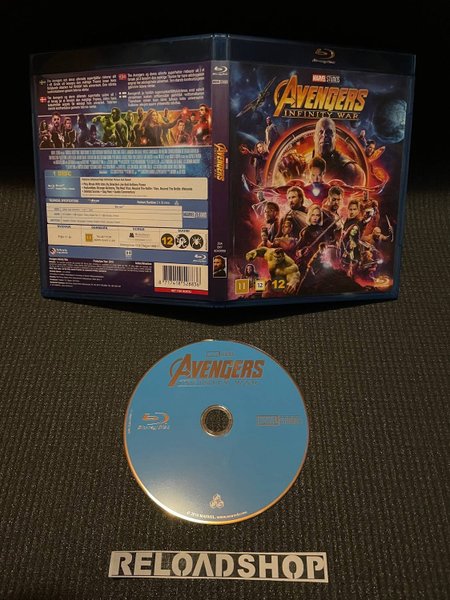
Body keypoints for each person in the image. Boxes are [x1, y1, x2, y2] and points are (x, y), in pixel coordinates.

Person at [313, 117, 365, 185]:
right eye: (320, 132)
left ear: (335, 138)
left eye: (329, 132)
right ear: (314, 138)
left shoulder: (351, 169)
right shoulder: (304, 166)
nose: (324, 135)